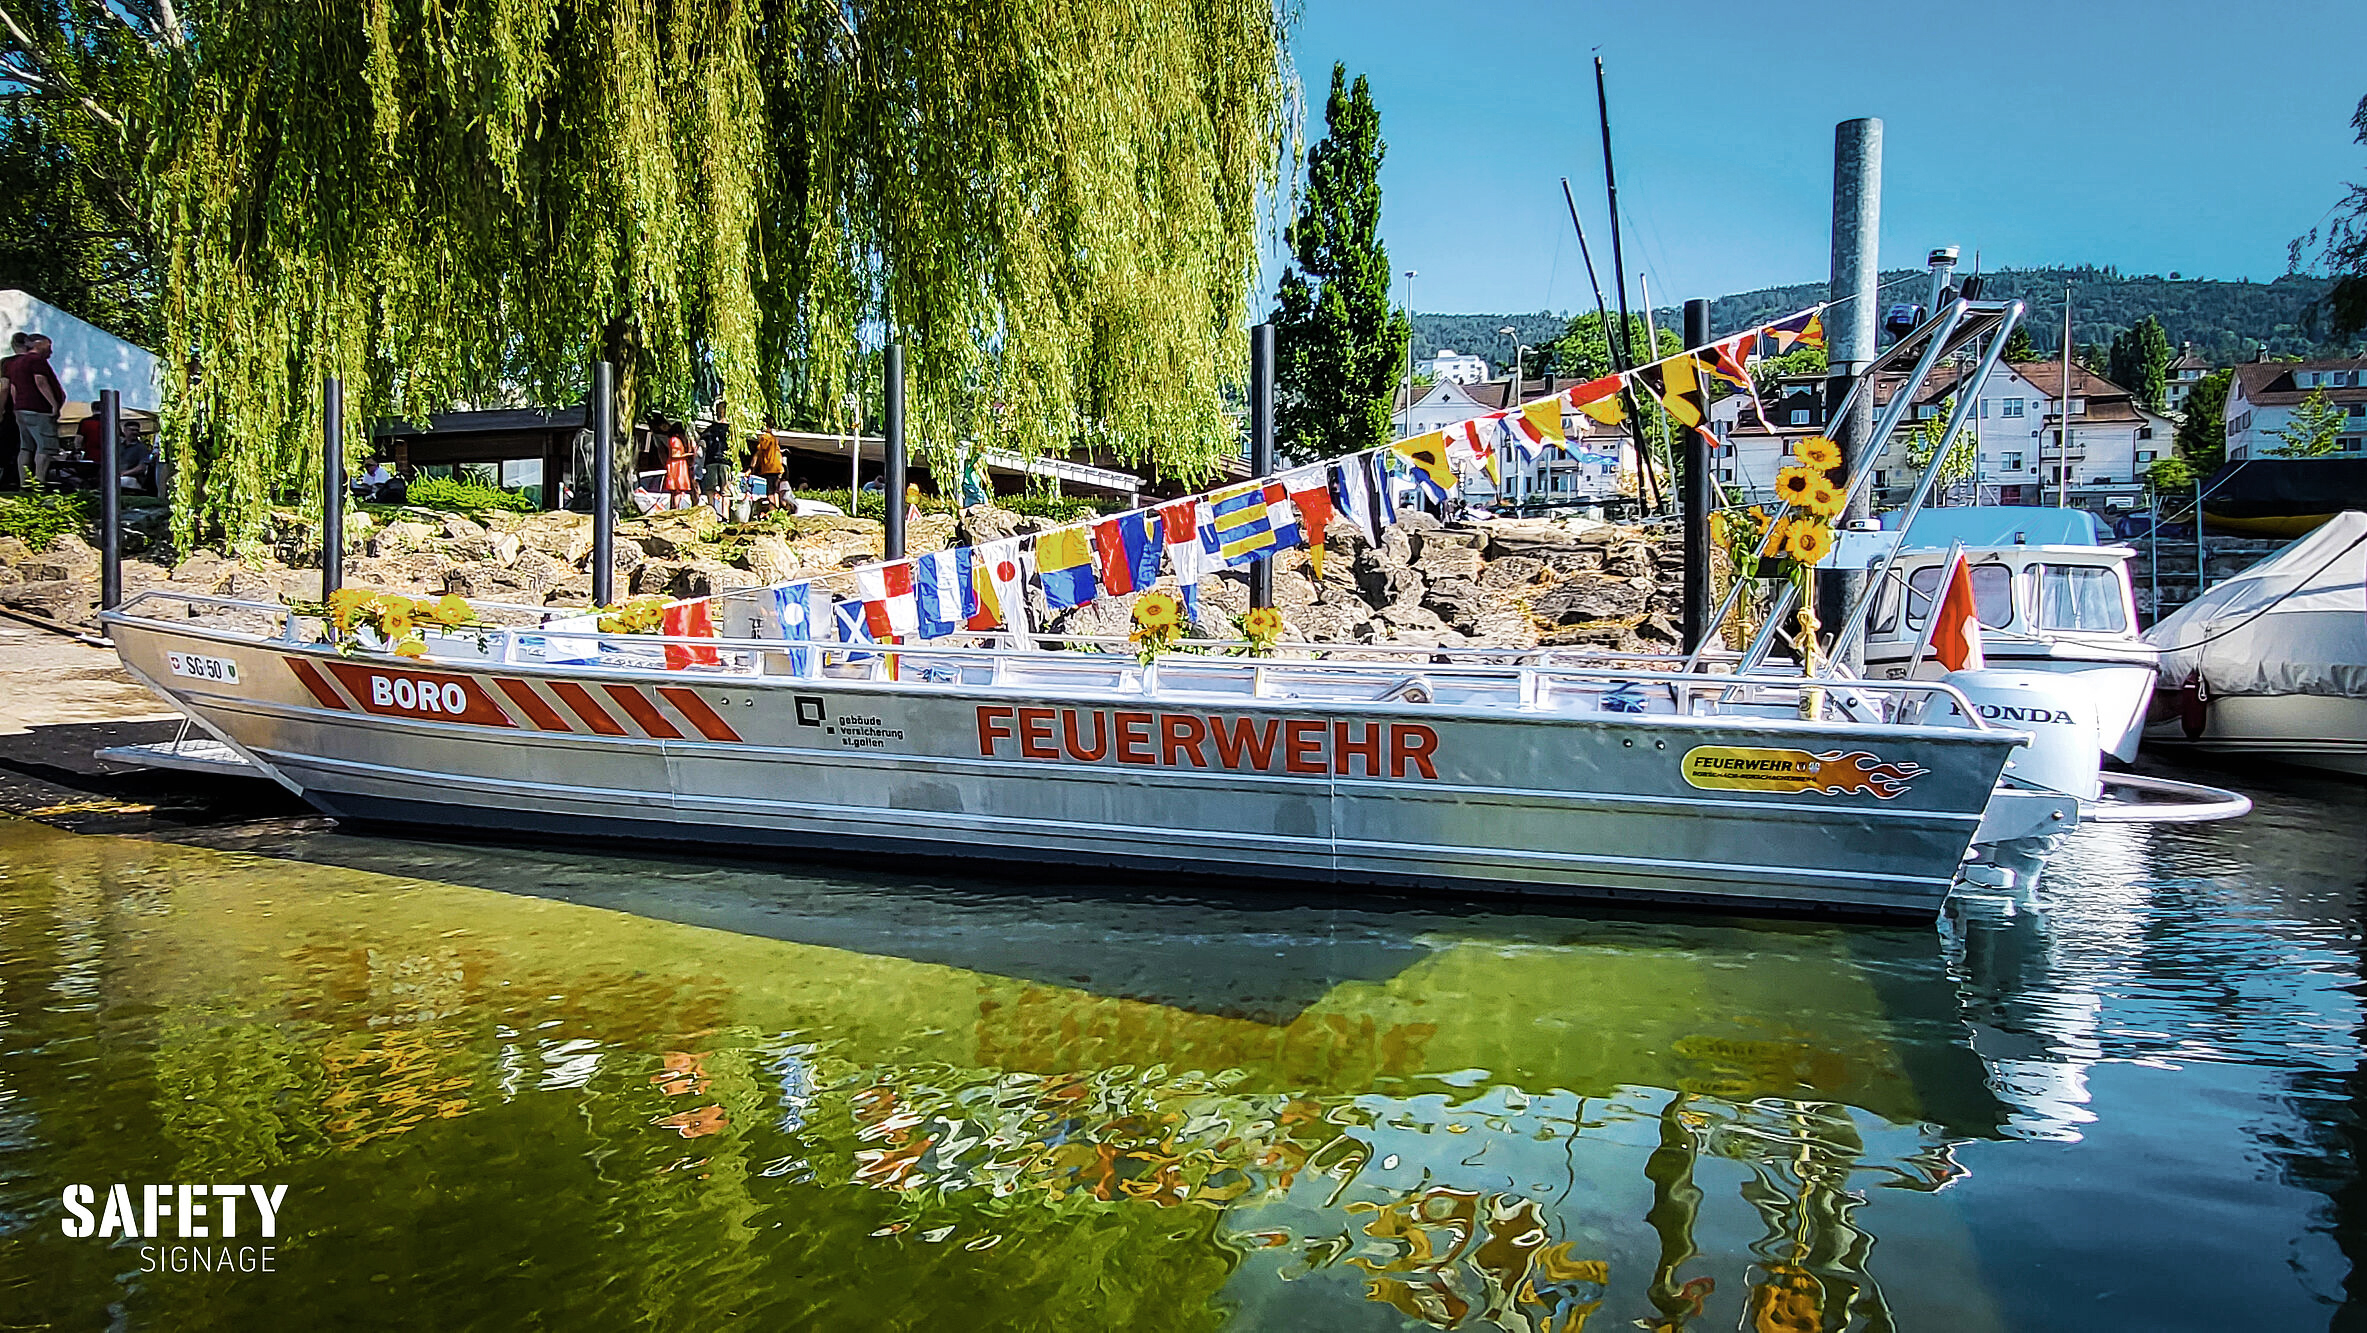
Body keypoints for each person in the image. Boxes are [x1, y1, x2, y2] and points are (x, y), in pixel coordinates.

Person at [7, 333, 64, 487]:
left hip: (21, 408)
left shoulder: (15, 363)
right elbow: (40, 381)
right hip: (39, 409)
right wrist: (54, 404)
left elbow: (13, 388)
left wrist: (16, 405)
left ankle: (25, 482)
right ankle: (39, 480)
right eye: (48, 346)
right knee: (45, 446)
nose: (50, 352)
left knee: (26, 446)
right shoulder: (36, 360)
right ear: (37, 343)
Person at [661, 420, 695, 509]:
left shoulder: (674, 439)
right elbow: (674, 454)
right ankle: (675, 507)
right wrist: (689, 455)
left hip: (678, 465)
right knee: (677, 489)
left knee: (677, 490)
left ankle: (675, 507)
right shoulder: (675, 440)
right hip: (676, 466)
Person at [750, 427, 785, 512]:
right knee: (775, 491)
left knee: (769, 493)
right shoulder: (774, 439)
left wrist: (752, 468)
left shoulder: (765, 438)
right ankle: (776, 511)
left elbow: (758, 453)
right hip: (778, 468)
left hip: (769, 468)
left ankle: (772, 511)